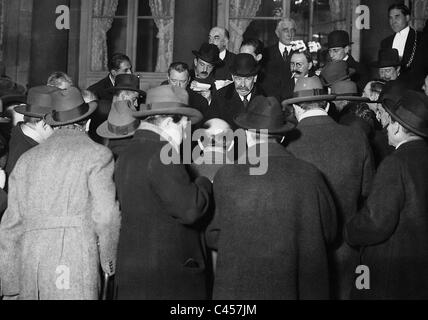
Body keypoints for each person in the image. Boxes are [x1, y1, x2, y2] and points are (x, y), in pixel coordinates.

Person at [207, 96, 337, 299]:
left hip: (239, 290)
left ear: (248, 134)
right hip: (292, 286)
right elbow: (329, 232)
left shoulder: (227, 175)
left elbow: (213, 235)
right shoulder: (309, 174)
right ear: (282, 137)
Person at [0, 86, 121, 300]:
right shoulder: (98, 155)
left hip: (31, 271)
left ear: (50, 122)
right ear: (88, 122)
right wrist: (108, 264)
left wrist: (10, 287)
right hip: (74, 266)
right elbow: (106, 218)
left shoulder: (26, 160)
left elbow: (10, 228)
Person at [114, 85, 213, 300]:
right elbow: (189, 210)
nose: (186, 134)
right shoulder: (162, 154)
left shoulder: (128, 151)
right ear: (169, 123)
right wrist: (205, 183)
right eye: (184, 127)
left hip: (133, 270)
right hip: (165, 276)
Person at [283, 77, 375, 300]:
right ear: (326, 105)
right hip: (348, 249)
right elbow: (368, 192)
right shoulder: (356, 137)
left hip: (305, 254)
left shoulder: (287, 145)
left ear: (295, 108)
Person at [345, 90, 428, 299]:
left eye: (389, 123)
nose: (386, 128)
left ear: (398, 127)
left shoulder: (396, 162)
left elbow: (376, 224)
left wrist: (350, 230)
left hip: (391, 268)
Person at [5, 86, 58, 177]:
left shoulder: (16, 134)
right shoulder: (34, 156)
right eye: (57, 127)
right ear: (44, 125)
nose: (59, 131)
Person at [210, 53, 264, 130]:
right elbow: (212, 129)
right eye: (238, 79)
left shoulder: (265, 98)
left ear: (255, 78)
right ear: (232, 77)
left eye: (247, 79)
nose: (242, 85)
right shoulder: (220, 97)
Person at [380, 3, 427, 90]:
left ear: (407, 17)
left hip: (415, 91)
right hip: (391, 91)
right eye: (390, 18)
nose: (393, 21)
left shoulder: (422, 38)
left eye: (397, 16)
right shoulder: (385, 42)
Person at [262, 18, 297, 102]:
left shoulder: (300, 53)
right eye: (285, 30)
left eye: (292, 30)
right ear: (277, 33)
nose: (289, 34)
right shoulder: (266, 53)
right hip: (271, 104)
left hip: (294, 102)